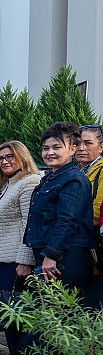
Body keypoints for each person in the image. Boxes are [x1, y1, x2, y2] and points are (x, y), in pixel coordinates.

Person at [22, 122, 95, 355]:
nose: (49, 152)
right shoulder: (52, 178)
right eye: (45, 148)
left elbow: (68, 220)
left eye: (56, 147)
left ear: (73, 148)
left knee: (58, 323)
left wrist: (51, 255)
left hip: (66, 259)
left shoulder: (73, 179)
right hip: (50, 256)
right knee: (45, 321)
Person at [0, 141, 40, 355]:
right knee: (8, 311)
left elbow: (30, 224)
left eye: (10, 157)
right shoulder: (8, 184)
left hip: (18, 260)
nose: (5, 161)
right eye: (1, 158)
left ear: (22, 157)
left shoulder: (29, 183)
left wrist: (26, 260)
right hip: (5, 259)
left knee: (19, 312)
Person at [75, 124, 103, 310]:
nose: (81, 148)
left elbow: (98, 209)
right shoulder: (77, 171)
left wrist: (68, 222)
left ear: (101, 147)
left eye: (88, 143)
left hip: (94, 251)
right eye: (78, 143)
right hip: (78, 252)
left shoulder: (101, 171)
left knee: (92, 309)